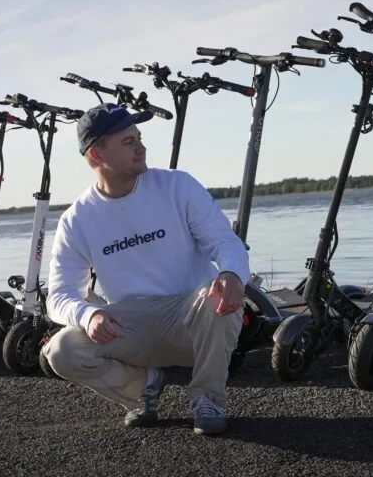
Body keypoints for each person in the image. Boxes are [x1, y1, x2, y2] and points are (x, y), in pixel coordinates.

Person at [41, 102, 249, 436]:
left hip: (191, 318)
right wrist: (88, 316)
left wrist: (231, 275)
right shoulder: (77, 219)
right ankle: (143, 388)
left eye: (138, 137)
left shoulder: (177, 186)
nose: (141, 146)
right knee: (61, 350)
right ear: (96, 154)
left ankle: (207, 400)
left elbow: (225, 241)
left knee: (217, 294)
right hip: (131, 326)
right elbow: (60, 295)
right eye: (128, 141)